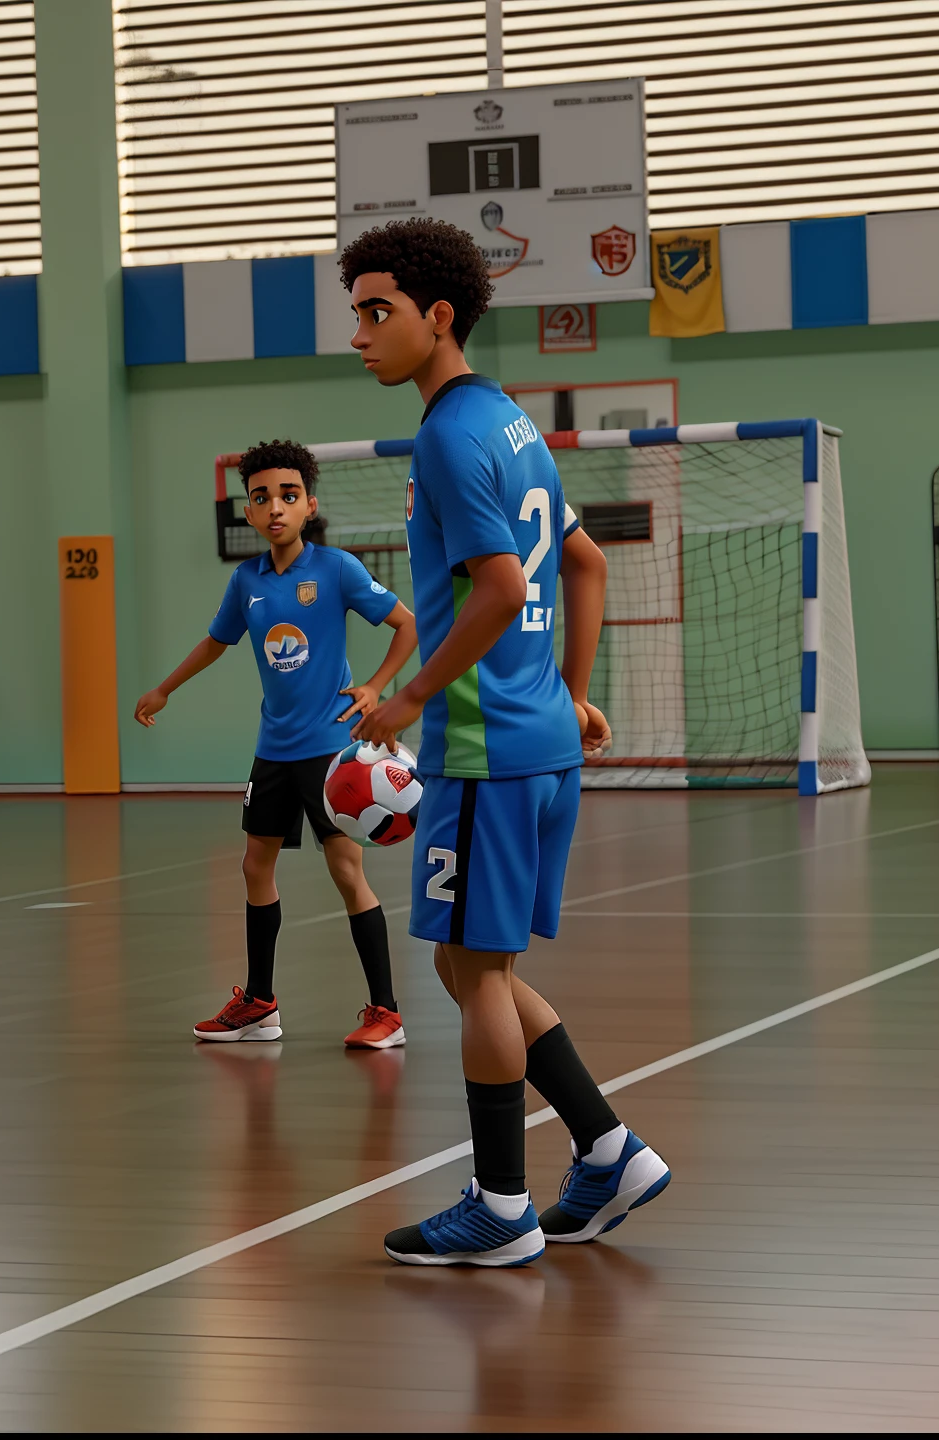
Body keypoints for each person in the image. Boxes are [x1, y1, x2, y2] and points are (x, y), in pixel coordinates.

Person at [343, 217, 670, 1266]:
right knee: (471, 962)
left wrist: (406, 699)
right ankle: (608, 1149)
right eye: (356, 312)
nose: (360, 334)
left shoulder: (446, 434)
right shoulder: (512, 424)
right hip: (541, 744)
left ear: (436, 318)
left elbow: (504, 585)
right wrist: (570, 695)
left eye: (376, 311)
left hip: (483, 748)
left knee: (471, 972)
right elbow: (588, 566)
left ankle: (499, 1207)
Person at [135, 438, 419, 1049]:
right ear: (248, 513)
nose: (275, 508)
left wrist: (374, 687)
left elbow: (407, 625)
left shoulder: (337, 568)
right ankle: (260, 1004)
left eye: (288, 496)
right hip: (273, 750)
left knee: (347, 870)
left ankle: (386, 1013)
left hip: (328, 750)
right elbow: (216, 642)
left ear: (309, 504)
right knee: (253, 865)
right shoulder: (247, 581)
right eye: (261, 498)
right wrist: (164, 690)